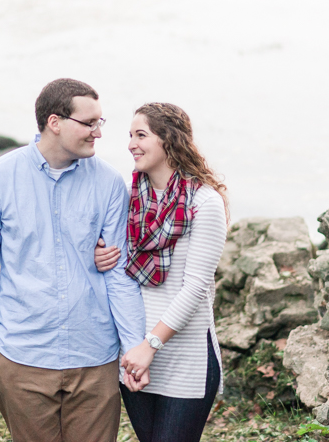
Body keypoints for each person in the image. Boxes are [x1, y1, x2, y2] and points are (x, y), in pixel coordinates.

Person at [0, 78, 147, 442]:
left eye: (100, 122)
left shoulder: (111, 184)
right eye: (89, 123)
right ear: (55, 122)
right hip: (22, 358)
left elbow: (119, 274)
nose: (98, 133)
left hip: (95, 356)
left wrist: (133, 346)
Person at [94, 102, 229, 442]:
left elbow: (196, 287)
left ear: (169, 139)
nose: (131, 144)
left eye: (141, 135)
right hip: (134, 354)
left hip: (185, 355)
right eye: (130, 136)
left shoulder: (204, 201)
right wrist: (99, 257)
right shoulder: (127, 196)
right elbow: (113, 268)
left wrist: (150, 345)